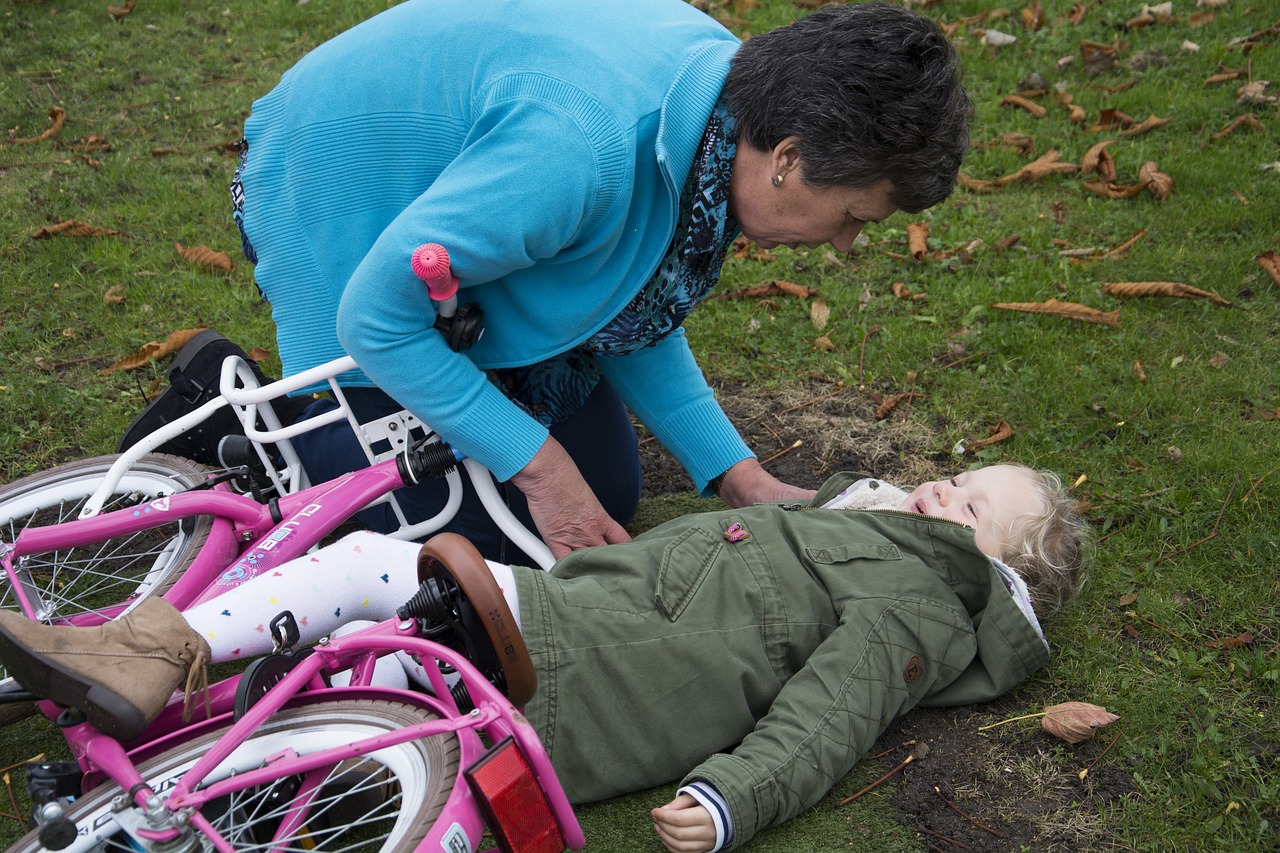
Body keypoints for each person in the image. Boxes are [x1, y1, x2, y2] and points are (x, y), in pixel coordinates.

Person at [119, 0, 971, 565]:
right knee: (382, 536)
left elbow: (627, 292)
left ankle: (436, 406)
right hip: (336, 183)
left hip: (467, 209)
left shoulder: (721, 116)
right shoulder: (589, 148)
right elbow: (378, 317)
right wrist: (540, 469)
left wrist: (734, 472)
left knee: (606, 485)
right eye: (857, 214)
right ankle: (239, 424)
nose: (850, 244)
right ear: (790, 160)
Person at [0, 464, 1090, 852]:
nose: (946, 486)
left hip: (590, 661)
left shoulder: (920, 601)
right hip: (588, 624)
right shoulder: (887, 538)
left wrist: (728, 801)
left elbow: (831, 712)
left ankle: (141, 656)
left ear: (1000, 568)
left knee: (373, 568)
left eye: (975, 501)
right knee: (355, 682)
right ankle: (182, 757)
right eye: (959, 472)